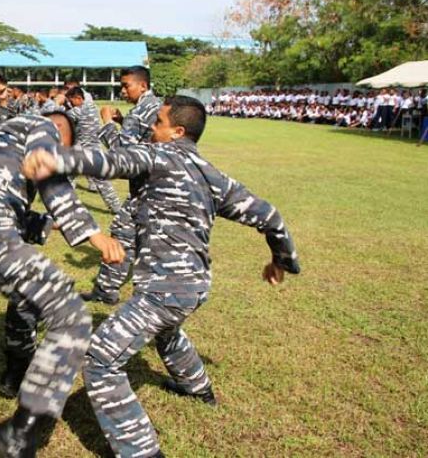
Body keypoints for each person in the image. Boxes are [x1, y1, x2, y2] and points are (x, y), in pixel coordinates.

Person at [22, 95, 301, 458]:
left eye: (158, 123)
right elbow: (270, 215)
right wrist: (281, 259)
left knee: (101, 359)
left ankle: (141, 452)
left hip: (164, 290)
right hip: (195, 286)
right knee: (167, 333)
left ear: (177, 132)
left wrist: (55, 158)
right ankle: (198, 388)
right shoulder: (212, 173)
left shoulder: (158, 155)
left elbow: (112, 160)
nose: (152, 129)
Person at [0, 111, 125, 457]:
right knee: (73, 317)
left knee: (32, 297)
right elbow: (51, 181)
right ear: (60, 131)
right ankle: (20, 431)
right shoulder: (43, 126)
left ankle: (16, 374)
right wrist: (95, 236)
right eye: (63, 149)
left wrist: (50, 224)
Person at [82, 65, 162, 305]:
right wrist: (122, 120)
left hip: (145, 189)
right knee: (141, 238)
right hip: (159, 185)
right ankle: (109, 289)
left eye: (126, 86)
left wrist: (106, 123)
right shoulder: (155, 107)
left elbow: (122, 156)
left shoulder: (139, 113)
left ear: (143, 85)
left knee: (124, 234)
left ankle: (108, 290)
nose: (123, 91)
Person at [65, 86, 122, 214]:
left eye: (71, 101)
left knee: (70, 177)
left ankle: (66, 204)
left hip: (83, 151)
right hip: (94, 148)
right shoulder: (92, 107)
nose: (70, 104)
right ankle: (116, 207)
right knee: (100, 181)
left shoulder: (77, 111)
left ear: (78, 98)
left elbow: (61, 119)